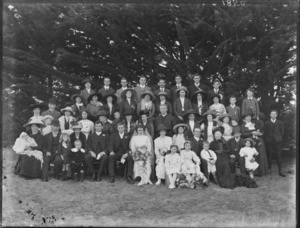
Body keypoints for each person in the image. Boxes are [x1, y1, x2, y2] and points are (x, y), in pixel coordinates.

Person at [241, 112, 269, 177]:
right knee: (252, 154)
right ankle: (254, 171)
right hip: (249, 141)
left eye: (250, 116)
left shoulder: (255, 123)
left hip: (258, 139)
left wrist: (260, 133)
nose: (249, 118)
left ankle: (261, 171)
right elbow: (243, 134)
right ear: (244, 118)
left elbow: (261, 131)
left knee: (260, 151)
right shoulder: (243, 125)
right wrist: (252, 133)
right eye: (247, 117)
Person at [264, 110, 286, 177]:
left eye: (274, 114)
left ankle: (280, 170)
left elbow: (282, 132)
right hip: (269, 141)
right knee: (269, 155)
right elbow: (265, 132)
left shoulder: (280, 123)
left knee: (278, 155)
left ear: (276, 115)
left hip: (277, 141)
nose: (273, 115)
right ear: (270, 115)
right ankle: (269, 168)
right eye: (272, 114)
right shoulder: (267, 123)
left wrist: (279, 137)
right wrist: (267, 139)